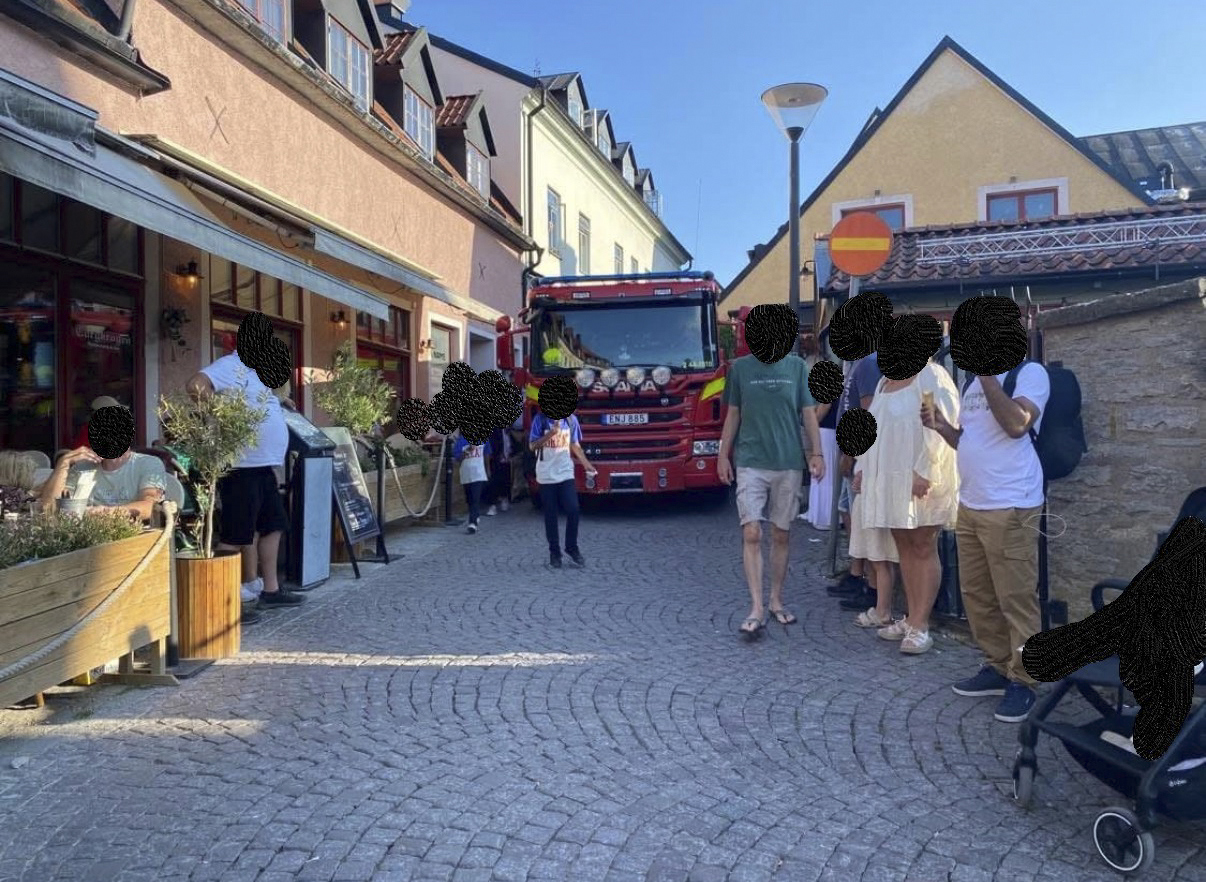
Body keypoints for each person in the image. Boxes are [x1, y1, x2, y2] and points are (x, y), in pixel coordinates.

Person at [923, 358, 1050, 722]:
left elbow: (1017, 424)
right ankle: (998, 667)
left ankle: (1025, 680)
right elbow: (970, 441)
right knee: (977, 594)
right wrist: (943, 427)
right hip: (973, 503)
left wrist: (989, 376)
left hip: (1011, 504)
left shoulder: (1027, 374)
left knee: (1016, 597)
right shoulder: (972, 385)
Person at [852, 353, 959, 654]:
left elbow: (940, 424)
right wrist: (861, 467)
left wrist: (924, 471)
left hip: (919, 478)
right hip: (889, 479)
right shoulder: (886, 382)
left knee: (923, 546)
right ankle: (911, 618)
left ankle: (921, 626)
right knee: (903, 547)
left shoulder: (931, 376)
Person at [717, 343, 824, 637]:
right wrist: (722, 455)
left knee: (781, 533)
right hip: (750, 461)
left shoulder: (797, 368)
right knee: (751, 531)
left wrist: (817, 453)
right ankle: (756, 607)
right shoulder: (741, 368)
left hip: (788, 461)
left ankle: (776, 598)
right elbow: (734, 414)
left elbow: (808, 413)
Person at [186, 355, 303, 615]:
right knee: (235, 535)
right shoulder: (231, 365)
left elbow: (255, 402)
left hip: (264, 468)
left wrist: (280, 401)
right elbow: (196, 385)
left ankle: (270, 590)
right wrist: (225, 415)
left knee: (274, 526)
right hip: (240, 467)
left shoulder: (260, 372)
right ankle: (224, 601)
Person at [831, 352, 887, 612]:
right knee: (847, 510)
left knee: (861, 517)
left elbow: (868, 411)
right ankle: (856, 573)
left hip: (859, 456)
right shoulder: (857, 363)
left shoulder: (869, 364)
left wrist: (852, 454)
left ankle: (870, 586)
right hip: (852, 452)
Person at [528, 410, 596, 569]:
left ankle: (571, 547)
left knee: (573, 509)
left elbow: (575, 445)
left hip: (565, 472)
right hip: (546, 475)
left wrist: (587, 464)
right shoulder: (540, 420)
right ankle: (555, 553)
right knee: (550, 515)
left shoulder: (571, 420)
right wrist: (551, 433)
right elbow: (532, 445)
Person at [37, 446, 166, 521]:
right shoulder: (83, 467)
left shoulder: (147, 463)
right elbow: (48, 507)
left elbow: (150, 506)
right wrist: (63, 463)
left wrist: (106, 513)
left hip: (132, 534)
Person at [453, 431, 491, 534]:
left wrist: (488, 469)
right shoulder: (462, 440)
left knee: (475, 498)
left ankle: (472, 523)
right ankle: (476, 515)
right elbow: (457, 457)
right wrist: (468, 450)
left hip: (478, 474)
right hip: (466, 474)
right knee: (469, 498)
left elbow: (487, 453)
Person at [484, 426, 512, 515]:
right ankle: (492, 505)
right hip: (496, 459)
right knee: (494, 481)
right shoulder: (495, 430)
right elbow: (493, 444)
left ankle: (504, 499)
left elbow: (510, 443)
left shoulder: (508, 430)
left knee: (506, 480)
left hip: (507, 458)